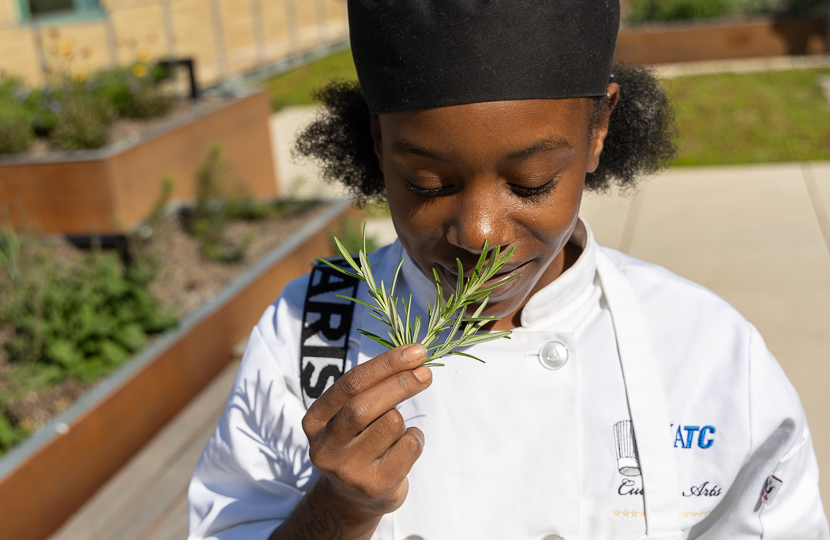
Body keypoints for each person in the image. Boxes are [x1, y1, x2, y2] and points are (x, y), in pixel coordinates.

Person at [188, 1, 829, 538]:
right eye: (427, 182)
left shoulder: (707, 351)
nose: (480, 233)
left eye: (529, 184)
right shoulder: (312, 331)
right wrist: (339, 510)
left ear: (598, 129)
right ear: (378, 144)